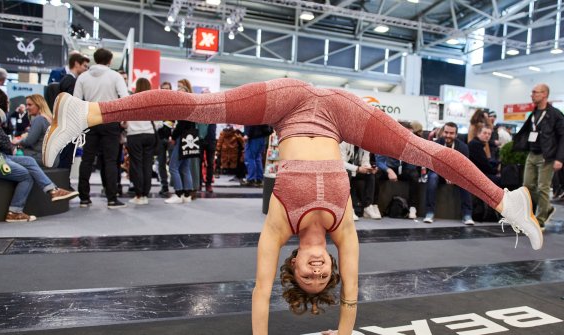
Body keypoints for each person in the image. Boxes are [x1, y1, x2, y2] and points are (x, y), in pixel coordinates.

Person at [42, 78, 543, 334]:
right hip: (342, 116)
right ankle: (509, 200)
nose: (319, 268)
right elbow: (352, 296)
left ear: (296, 264)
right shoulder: (344, 228)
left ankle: (85, 111)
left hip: (289, 104)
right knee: (426, 151)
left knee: (202, 107)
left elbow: (260, 292)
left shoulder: (278, 224)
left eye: (309, 273)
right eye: (324, 275)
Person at [0, 88, 77, 222]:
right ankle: (14, 212)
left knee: (28, 160)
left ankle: (53, 190)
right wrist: (11, 146)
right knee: (25, 175)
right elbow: (5, 142)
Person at [73, 48, 128, 209]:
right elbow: (124, 99)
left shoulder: (83, 77)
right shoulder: (115, 76)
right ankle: (112, 198)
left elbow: (76, 101)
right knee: (110, 160)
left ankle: (84, 198)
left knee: (87, 160)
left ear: (95, 59)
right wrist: (123, 119)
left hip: (91, 119)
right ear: (110, 60)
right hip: (110, 120)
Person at [514, 83, 564, 229]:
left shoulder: (555, 114)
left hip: (547, 156)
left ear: (544, 94)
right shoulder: (534, 113)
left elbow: (563, 137)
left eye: (535, 92)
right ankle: (547, 208)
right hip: (532, 153)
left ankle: (540, 218)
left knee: (543, 187)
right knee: (527, 186)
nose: (532, 94)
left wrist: (560, 159)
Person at [423, 122, 473, 225]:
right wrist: (445, 174)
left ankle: (467, 214)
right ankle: (429, 212)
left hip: (456, 175)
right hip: (438, 173)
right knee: (432, 178)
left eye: (451, 133)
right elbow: (433, 164)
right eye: (446, 132)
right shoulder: (436, 144)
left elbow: (464, 168)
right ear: (443, 132)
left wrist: (453, 176)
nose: (448, 135)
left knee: (466, 181)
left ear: (456, 135)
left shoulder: (463, 147)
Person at [124, 78, 157, 205]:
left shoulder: (131, 100)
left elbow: (125, 122)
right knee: (147, 165)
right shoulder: (153, 101)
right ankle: (145, 194)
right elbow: (158, 121)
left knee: (136, 165)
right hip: (149, 134)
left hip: (135, 135)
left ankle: (138, 195)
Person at [165, 81, 197, 204]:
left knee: (173, 167)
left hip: (181, 139)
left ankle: (178, 194)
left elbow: (180, 126)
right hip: (190, 140)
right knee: (185, 167)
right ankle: (187, 195)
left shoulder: (182, 108)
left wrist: (173, 137)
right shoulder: (192, 107)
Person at [340, 142, 381, 220]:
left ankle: (367, 206)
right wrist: (357, 169)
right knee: (347, 173)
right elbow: (341, 163)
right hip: (344, 169)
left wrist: (370, 169)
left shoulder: (365, 145)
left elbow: (365, 162)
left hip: (356, 170)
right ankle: (348, 209)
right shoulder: (343, 143)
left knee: (370, 175)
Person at [11, 95, 52, 165]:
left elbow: (29, 141)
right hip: (49, 158)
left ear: (39, 105)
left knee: (12, 154)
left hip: (40, 157)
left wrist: (17, 141)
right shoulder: (49, 118)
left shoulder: (39, 119)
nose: (27, 108)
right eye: (26, 105)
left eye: (30, 105)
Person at [156, 81, 173, 196]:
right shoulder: (157, 104)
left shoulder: (174, 104)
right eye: (164, 88)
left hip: (172, 138)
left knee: (174, 164)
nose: (166, 90)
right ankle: (164, 186)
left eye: (168, 88)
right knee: (160, 164)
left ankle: (177, 186)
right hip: (160, 138)